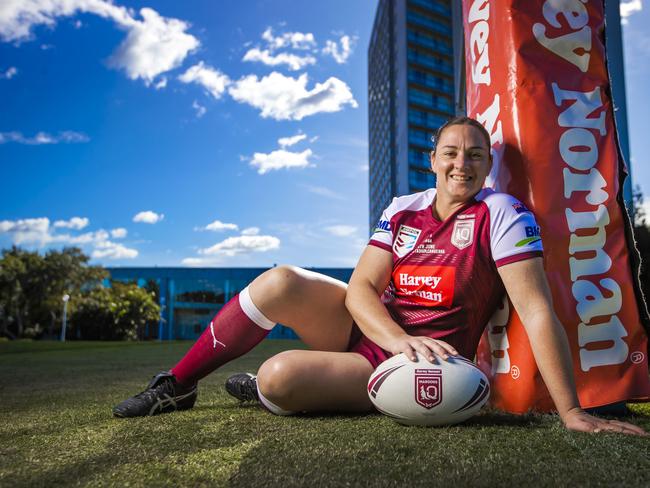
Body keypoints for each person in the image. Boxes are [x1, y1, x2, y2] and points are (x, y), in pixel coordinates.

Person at [113, 116, 646, 435]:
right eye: (452, 153)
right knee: (280, 280)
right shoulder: (403, 207)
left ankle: (281, 387)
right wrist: (393, 336)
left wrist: (572, 409)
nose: (463, 163)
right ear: (432, 159)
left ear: (487, 166)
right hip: (377, 333)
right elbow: (362, 288)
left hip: (426, 361)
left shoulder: (503, 213)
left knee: (277, 377)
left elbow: (535, 308)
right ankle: (176, 385)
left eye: (476, 155)